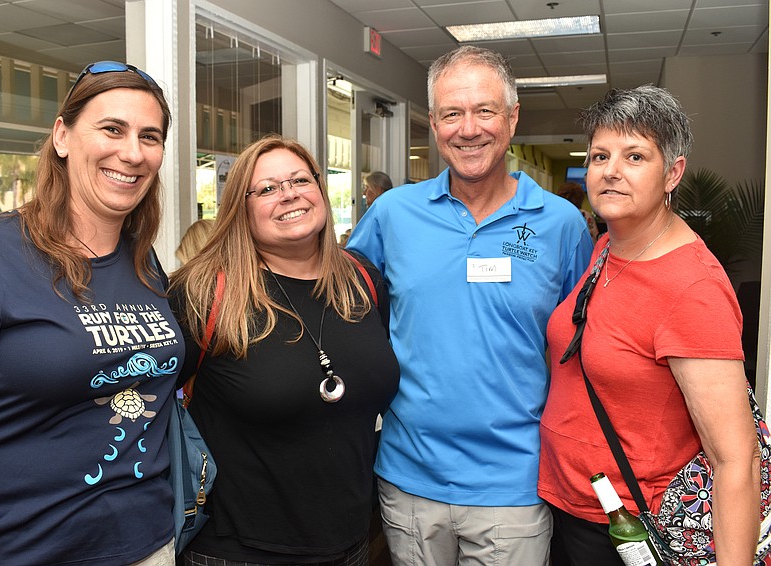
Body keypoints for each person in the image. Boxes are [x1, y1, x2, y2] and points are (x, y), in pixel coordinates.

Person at [0, 61, 183, 565]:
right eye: (112, 128)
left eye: (149, 136)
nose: (132, 153)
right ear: (62, 135)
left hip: (152, 545)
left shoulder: (142, 261)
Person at [347, 46, 594, 565]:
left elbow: (580, 346)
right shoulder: (394, 214)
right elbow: (341, 305)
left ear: (512, 117)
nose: (468, 129)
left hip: (516, 483)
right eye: (452, 114)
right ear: (434, 123)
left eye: (484, 111)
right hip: (409, 477)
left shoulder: (560, 225)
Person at [539, 85, 760, 565]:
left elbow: (735, 460)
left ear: (672, 173)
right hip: (571, 508)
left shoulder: (692, 289)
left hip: (634, 528)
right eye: (600, 156)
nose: (612, 171)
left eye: (635, 156)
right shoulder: (608, 246)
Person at [170, 134, 400, 565]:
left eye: (299, 180)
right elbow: (152, 402)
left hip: (351, 540)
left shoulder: (363, 281)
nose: (289, 194)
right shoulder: (205, 294)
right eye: (268, 188)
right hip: (237, 550)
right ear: (241, 206)